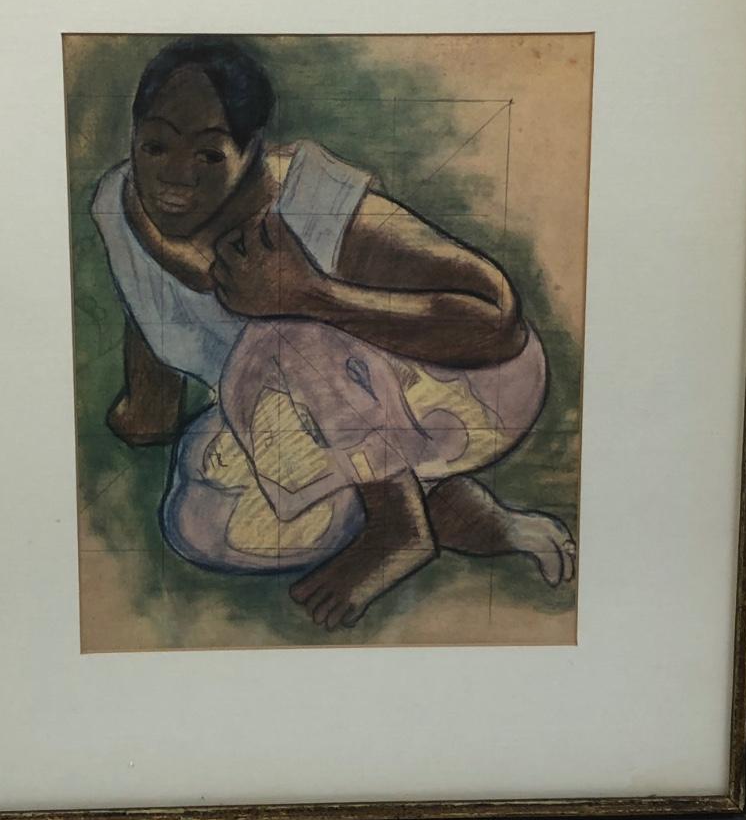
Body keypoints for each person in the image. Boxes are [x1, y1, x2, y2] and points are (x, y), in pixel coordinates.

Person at [91, 37, 575, 632]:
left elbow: (496, 319)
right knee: (197, 521)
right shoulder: (119, 204)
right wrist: (149, 408)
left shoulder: (314, 208)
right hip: (337, 413)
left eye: (210, 155)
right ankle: (459, 509)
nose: (175, 176)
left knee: (283, 332)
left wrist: (312, 294)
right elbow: (149, 301)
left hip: (473, 386)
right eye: (155, 146)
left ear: (251, 150)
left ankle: (399, 527)